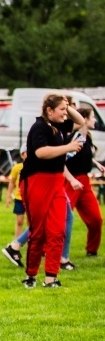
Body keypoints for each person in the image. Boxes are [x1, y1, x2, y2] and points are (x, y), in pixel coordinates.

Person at [19, 93, 85, 288]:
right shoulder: (39, 127)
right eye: (62, 110)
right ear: (49, 111)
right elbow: (40, 152)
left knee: (58, 231)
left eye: (66, 110)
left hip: (56, 182)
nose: (66, 114)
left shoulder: (60, 125)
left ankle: (51, 277)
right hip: (36, 181)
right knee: (38, 232)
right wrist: (68, 147)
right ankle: (31, 275)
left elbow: (80, 121)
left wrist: (65, 103)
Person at [64, 108, 104, 259]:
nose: (95, 121)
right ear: (85, 119)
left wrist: (96, 163)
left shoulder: (86, 137)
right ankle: (45, 249)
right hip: (72, 181)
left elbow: (84, 153)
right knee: (61, 217)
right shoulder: (76, 138)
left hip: (84, 182)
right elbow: (63, 160)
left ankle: (91, 250)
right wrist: (71, 179)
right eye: (93, 117)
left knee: (96, 219)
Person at [2, 145, 28, 267]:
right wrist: (8, 197)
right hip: (19, 198)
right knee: (19, 221)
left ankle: (27, 242)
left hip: (30, 199)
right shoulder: (17, 168)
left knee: (31, 222)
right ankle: (16, 241)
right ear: (22, 155)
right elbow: (12, 182)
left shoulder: (34, 168)